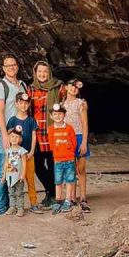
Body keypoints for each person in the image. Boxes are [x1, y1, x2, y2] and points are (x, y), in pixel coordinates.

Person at [0, 55, 29, 215]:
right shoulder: (0, 86)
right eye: (8, 66)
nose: (11, 68)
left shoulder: (23, 85)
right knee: (3, 168)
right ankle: (1, 207)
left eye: (13, 64)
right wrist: (4, 135)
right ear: (3, 68)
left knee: (16, 167)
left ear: (17, 66)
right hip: (5, 133)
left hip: (19, 134)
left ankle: (13, 204)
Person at [27, 61, 66, 209]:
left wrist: (81, 103)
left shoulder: (58, 86)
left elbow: (67, 101)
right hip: (37, 133)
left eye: (45, 71)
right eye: (39, 71)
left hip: (53, 133)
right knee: (38, 166)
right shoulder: (31, 88)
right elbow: (27, 110)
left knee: (53, 166)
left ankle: (52, 195)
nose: (42, 74)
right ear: (35, 73)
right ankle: (52, 191)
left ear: (49, 72)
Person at [7, 92, 42, 214]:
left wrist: (32, 151)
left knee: (30, 180)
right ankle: (15, 206)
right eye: (21, 103)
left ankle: (34, 203)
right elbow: (9, 137)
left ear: (29, 105)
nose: (23, 105)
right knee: (13, 180)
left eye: (26, 103)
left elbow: (34, 136)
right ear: (16, 104)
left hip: (28, 156)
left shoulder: (31, 120)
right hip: (15, 157)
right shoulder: (12, 120)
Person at [64, 78, 91, 212]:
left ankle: (83, 198)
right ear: (66, 87)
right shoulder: (61, 105)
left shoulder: (81, 103)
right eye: (71, 85)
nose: (73, 88)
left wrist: (84, 142)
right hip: (67, 138)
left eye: (76, 87)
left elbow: (85, 124)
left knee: (81, 169)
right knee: (71, 169)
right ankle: (72, 197)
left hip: (79, 136)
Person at [47, 103, 77, 214]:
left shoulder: (69, 128)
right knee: (58, 181)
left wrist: (68, 151)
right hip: (58, 160)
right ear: (51, 116)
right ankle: (58, 200)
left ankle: (68, 200)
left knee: (69, 180)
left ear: (64, 115)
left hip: (69, 159)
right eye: (55, 114)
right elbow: (51, 144)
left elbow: (74, 143)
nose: (58, 116)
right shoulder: (51, 129)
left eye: (60, 114)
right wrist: (58, 152)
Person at [2, 130, 28, 217]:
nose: (14, 139)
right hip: (9, 175)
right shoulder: (8, 151)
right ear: (9, 138)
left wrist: (23, 174)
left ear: (20, 139)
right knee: (11, 193)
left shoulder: (22, 151)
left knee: (19, 193)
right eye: (12, 137)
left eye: (16, 137)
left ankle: (20, 208)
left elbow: (24, 163)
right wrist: (4, 175)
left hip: (18, 176)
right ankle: (12, 207)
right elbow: (6, 163)